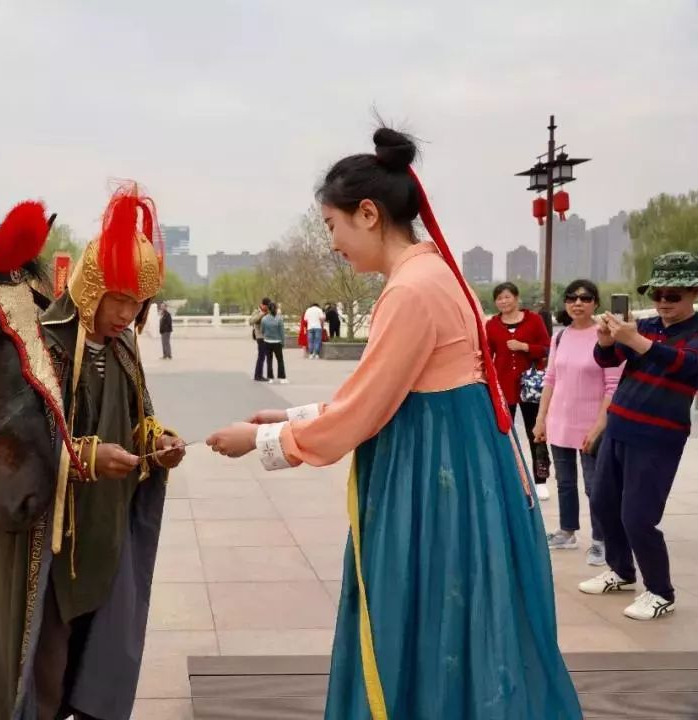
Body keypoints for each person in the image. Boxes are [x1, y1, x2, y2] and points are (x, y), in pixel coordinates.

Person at [206, 128, 580, 719]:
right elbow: (393, 391)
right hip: (464, 470)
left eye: (332, 226)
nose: (332, 243)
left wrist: (261, 439)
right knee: (462, 626)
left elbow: (365, 412)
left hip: (433, 482)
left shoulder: (409, 291)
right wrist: (294, 414)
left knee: (425, 617)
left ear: (369, 213)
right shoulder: (436, 273)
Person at [0, 182, 187, 720]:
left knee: (93, 654)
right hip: (42, 537)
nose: (128, 313)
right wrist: (83, 458)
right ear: (90, 289)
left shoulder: (124, 348)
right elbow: (11, 445)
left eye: (137, 302)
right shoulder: (41, 346)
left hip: (102, 528)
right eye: (119, 299)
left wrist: (157, 443)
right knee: (42, 669)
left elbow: (137, 417)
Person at [579, 252, 698, 621]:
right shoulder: (644, 326)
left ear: (693, 293)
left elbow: (687, 367)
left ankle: (660, 592)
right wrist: (605, 340)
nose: (662, 302)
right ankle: (621, 570)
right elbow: (608, 361)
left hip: (658, 437)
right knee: (602, 502)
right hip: (620, 427)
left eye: (672, 295)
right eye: (658, 294)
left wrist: (637, 341)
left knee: (638, 517)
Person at [533, 280, 622, 564]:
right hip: (560, 420)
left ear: (596, 302)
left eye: (585, 298)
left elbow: (613, 387)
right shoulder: (560, 337)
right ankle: (567, 531)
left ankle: (601, 539)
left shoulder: (606, 335)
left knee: (595, 486)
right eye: (572, 298)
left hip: (592, 425)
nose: (577, 303)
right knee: (566, 483)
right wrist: (541, 419)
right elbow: (550, 379)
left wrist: (599, 426)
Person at [486, 282, 552, 499]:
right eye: (499, 298)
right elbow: (487, 354)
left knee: (536, 431)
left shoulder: (534, 320)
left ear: (516, 298)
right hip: (504, 387)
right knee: (504, 432)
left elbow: (547, 348)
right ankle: (508, 477)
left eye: (507, 297)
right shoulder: (492, 325)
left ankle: (541, 479)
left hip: (530, 386)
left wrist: (525, 347)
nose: (503, 301)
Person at [261, 301, 288, 384]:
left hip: (267, 342)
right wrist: (283, 342)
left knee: (269, 360)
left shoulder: (264, 319)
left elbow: (262, 330)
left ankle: (270, 378)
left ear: (268, 309)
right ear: (276, 309)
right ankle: (282, 378)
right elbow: (282, 332)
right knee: (280, 360)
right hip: (277, 342)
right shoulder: (279, 319)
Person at [250, 296, 272, 380]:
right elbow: (251, 321)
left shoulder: (269, 311)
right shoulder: (257, 311)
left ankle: (259, 375)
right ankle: (258, 375)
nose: (267, 308)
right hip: (260, 336)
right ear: (262, 305)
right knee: (261, 356)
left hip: (267, 336)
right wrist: (262, 314)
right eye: (266, 306)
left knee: (263, 356)